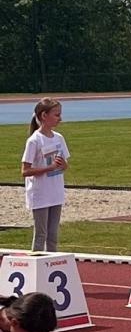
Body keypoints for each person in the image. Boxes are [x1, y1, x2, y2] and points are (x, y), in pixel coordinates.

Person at [21, 98, 69, 254]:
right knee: (41, 234)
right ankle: (36, 267)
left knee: (53, 235)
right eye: (56, 115)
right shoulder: (34, 141)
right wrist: (48, 168)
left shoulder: (59, 138)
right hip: (40, 194)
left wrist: (63, 165)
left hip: (56, 192)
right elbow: (25, 171)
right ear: (44, 116)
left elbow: (64, 164)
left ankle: (52, 265)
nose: (60, 118)